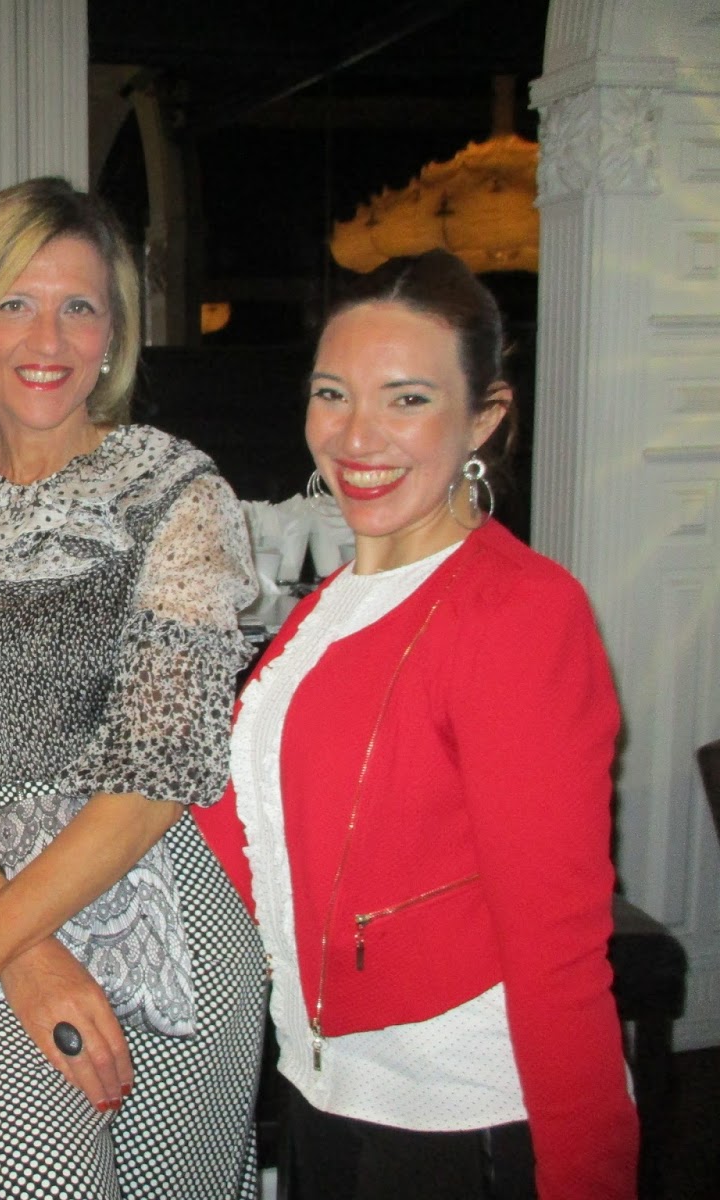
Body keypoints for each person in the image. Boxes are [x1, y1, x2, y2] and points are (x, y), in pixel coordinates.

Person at [0, 176, 267, 1198]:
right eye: (15, 302)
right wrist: (2, 952)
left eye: (79, 306)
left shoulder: (177, 488)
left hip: (158, 897)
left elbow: (159, 764)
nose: (48, 338)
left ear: (114, 336)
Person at [216, 249, 637, 1198]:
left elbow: (560, 948)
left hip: (455, 1115)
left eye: (406, 399)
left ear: (484, 417)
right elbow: (254, 832)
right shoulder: (334, 600)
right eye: (332, 394)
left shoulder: (520, 613)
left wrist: (589, 1177)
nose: (356, 435)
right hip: (323, 1084)